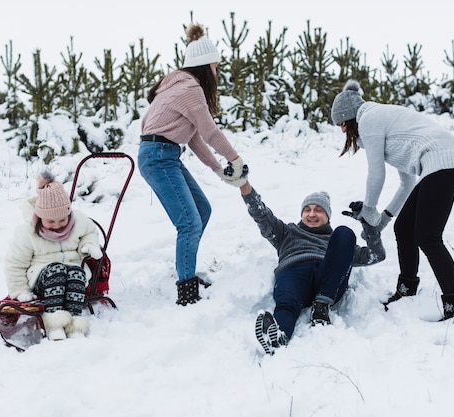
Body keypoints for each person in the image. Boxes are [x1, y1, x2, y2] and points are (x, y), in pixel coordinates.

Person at [330, 79, 454, 320]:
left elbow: (376, 173)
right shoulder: (384, 121)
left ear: (350, 116)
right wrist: (381, 221)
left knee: (428, 236)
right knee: (404, 227)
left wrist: (369, 209)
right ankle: (406, 290)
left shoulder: (370, 119)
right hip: (446, 163)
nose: (343, 130)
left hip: (443, 162)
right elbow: (406, 183)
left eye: (342, 124)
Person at [138, 22, 247, 306]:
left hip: (164, 155)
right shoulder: (190, 89)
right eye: (215, 66)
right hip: (158, 156)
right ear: (205, 66)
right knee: (189, 223)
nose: (217, 71)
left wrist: (217, 169)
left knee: (202, 210)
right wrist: (234, 158)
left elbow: (196, 138)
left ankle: (187, 272)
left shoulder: (179, 86)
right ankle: (186, 289)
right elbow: (211, 132)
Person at [237, 180, 386, 355]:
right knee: (286, 303)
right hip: (293, 273)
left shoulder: (337, 243)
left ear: (328, 216)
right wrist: (244, 186)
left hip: (327, 282)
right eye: (307, 210)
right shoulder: (286, 232)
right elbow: (262, 215)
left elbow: (376, 255)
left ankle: (321, 307)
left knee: (344, 232)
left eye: (318, 210)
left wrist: (368, 225)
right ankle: (278, 337)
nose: (312, 214)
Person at [4, 171, 101, 340]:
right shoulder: (27, 232)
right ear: (40, 217)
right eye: (50, 222)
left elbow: (90, 232)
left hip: (72, 273)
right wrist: (20, 290)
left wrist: (88, 245)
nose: (57, 226)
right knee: (56, 270)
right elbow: (15, 263)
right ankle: (54, 324)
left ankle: (74, 324)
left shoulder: (79, 221)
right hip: (42, 277)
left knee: (77, 272)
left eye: (62, 220)